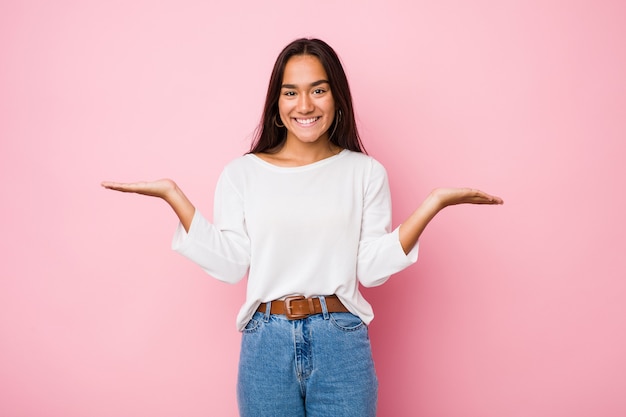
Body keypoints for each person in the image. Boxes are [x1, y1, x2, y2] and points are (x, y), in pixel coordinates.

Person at [102, 38, 503, 417]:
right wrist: (174, 196)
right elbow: (230, 265)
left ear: (337, 98)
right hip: (265, 342)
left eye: (318, 90)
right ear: (276, 103)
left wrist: (433, 204)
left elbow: (371, 269)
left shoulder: (364, 173)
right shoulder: (242, 173)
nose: (305, 104)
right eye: (291, 91)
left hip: (340, 341)